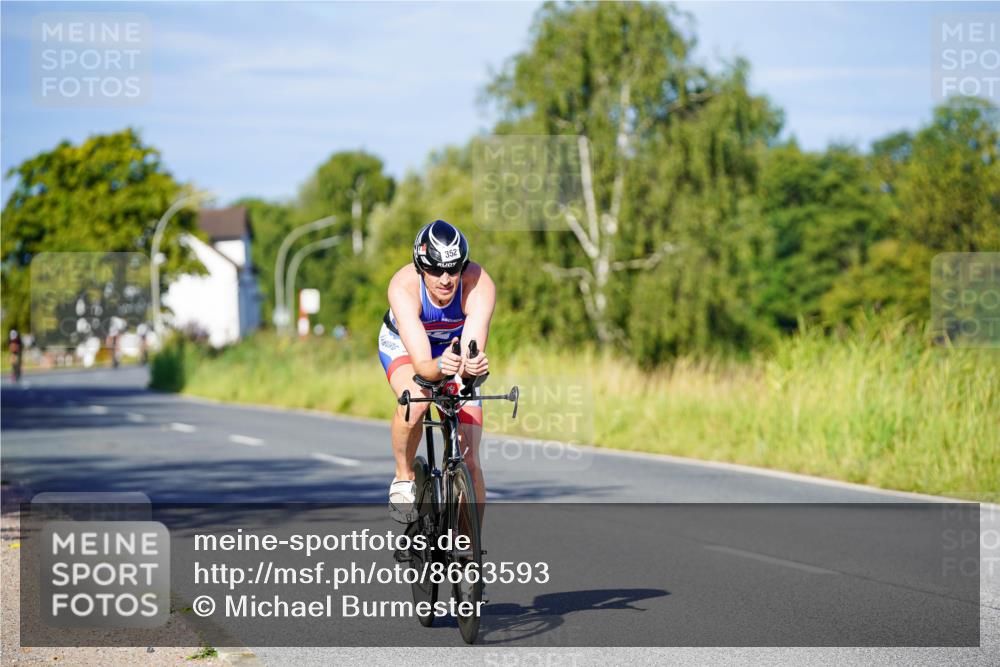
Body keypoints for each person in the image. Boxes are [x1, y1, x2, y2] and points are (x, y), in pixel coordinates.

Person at [379, 220, 495, 523]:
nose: (445, 279)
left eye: (453, 269)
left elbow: (470, 351)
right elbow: (423, 366)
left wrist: (472, 367)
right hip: (407, 347)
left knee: (470, 461)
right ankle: (403, 475)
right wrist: (441, 366)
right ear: (420, 267)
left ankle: (468, 545)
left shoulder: (479, 283)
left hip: (451, 349)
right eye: (435, 270)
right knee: (416, 399)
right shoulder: (403, 286)